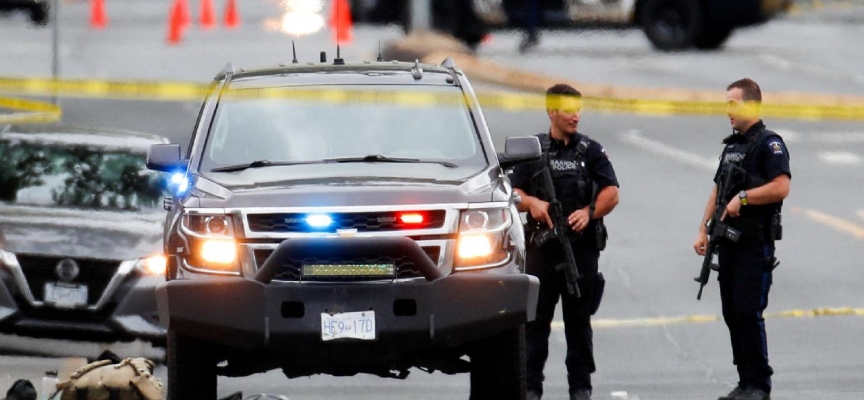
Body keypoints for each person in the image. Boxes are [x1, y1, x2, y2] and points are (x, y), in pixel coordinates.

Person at [509, 83, 620, 400]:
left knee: (579, 323)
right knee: (535, 324)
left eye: (578, 110)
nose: (576, 116)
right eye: (569, 110)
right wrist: (532, 203)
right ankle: (530, 387)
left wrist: (589, 212)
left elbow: (612, 192)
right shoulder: (533, 150)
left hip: (580, 249)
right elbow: (511, 192)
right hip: (541, 250)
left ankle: (580, 388)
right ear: (552, 112)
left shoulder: (590, 151)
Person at [693, 78, 791, 400]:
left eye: (733, 104)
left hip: (753, 245)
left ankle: (758, 385)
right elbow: (717, 188)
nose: (728, 111)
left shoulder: (769, 144)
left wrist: (745, 198)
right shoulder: (732, 147)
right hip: (729, 245)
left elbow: (781, 186)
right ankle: (744, 381)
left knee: (749, 312)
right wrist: (704, 228)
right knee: (732, 313)